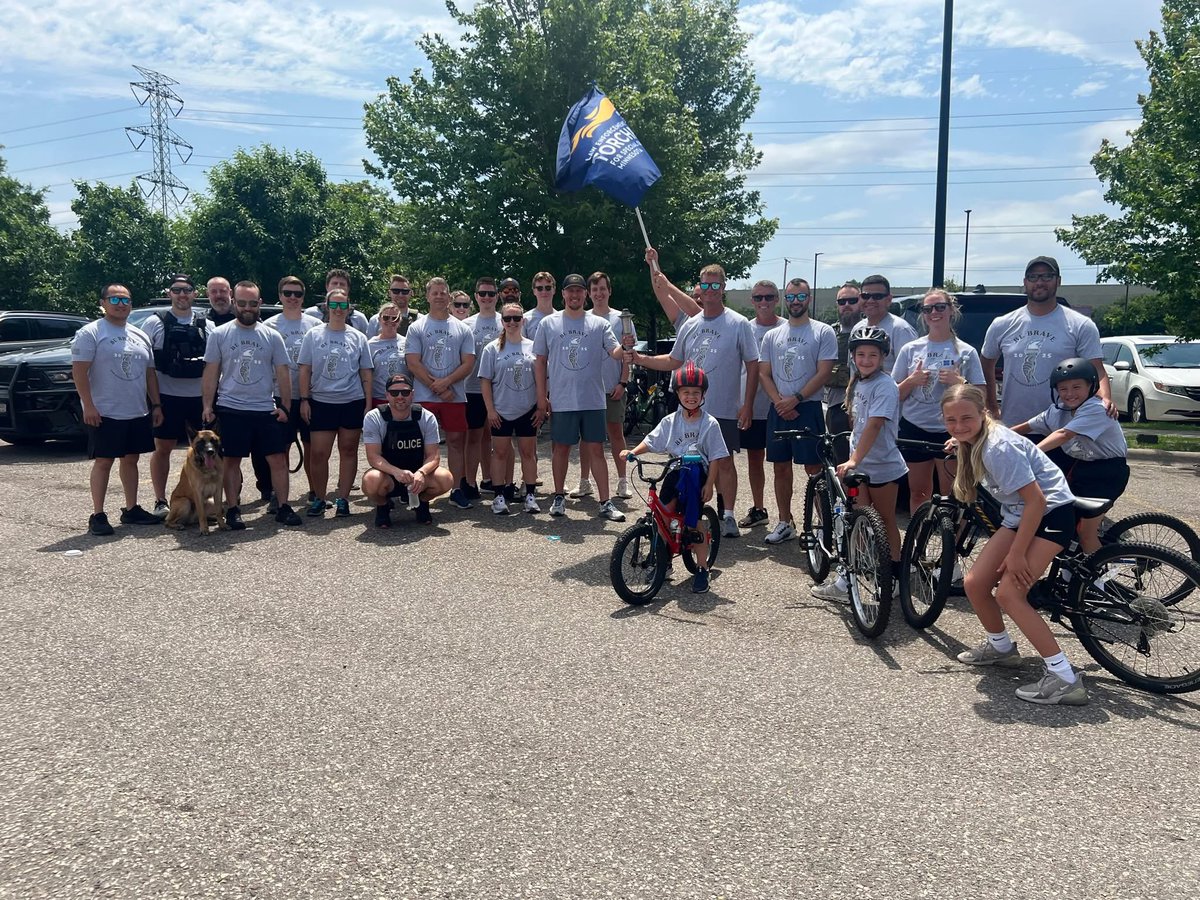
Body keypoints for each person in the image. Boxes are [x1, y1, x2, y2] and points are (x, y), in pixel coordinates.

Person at [940, 383, 1087, 706]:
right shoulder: (976, 438)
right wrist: (961, 438)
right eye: (951, 421)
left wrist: (1018, 554)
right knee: (976, 583)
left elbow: (1036, 501)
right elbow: (1023, 506)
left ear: (984, 414)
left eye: (967, 418)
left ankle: (1064, 678)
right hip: (1020, 516)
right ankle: (1002, 648)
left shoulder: (997, 448)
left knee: (1009, 593)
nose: (959, 426)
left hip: (1049, 514)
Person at [630, 254, 759, 538]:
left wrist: (747, 404)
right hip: (690, 408)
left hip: (724, 407)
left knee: (723, 461)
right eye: (706, 286)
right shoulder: (689, 325)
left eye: (716, 286)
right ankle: (687, 513)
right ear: (700, 288)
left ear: (723, 288)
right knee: (686, 459)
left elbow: (752, 365)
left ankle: (728, 515)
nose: (711, 291)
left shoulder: (738, 324)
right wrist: (640, 359)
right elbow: (673, 361)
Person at [812, 326, 907, 600]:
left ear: (883, 357)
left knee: (886, 521)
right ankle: (848, 579)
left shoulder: (885, 386)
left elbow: (875, 425)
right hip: (861, 466)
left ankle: (896, 578)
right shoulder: (859, 382)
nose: (866, 360)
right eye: (861, 354)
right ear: (853, 356)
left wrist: (853, 458)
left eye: (873, 355)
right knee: (858, 522)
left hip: (883, 466)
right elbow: (858, 422)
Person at [201, 281, 302, 528]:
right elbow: (211, 372)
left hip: (264, 408)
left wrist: (286, 407)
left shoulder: (272, 335)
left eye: (252, 303)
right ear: (234, 302)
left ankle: (283, 506)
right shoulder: (220, 334)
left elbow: (283, 373)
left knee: (277, 459)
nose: (247, 308)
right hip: (231, 407)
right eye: (242, 303)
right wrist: (207, 405)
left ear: (260, 303)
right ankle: (233, 509)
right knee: (232, 461)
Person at [622, 363, 729, 594]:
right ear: (678, 394)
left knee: (694, 522)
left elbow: (717, 457)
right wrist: (633, 452)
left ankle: (702, 568)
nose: (691, 397)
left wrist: (710, 484)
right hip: (674, 472)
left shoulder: (709, 423)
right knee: (662, 513)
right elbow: (652, 440)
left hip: (697, 475)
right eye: (686, 392)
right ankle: (665, 561)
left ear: (703, 396)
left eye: (695, 393)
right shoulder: (671, 421)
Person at [534, 273, 630, 522]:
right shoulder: (549, 324)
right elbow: (540, 361)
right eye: (570, 291)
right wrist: (541, 396)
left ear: (585, 294)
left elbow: (616, 353)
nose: (574, 295)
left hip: (593, 399)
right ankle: (558, 497)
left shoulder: (598, 324)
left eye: (579, 291)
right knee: (561, 449)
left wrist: (626, 345)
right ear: (563, 294)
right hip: (562, 398)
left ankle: (605, 502)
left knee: (596, 449)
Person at [71, 283, 164, 535]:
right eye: (114, 299)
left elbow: (149, 374)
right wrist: (88, 405)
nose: (121, 304)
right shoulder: (90, 332)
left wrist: (155, 404)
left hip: (136, 410)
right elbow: (79, 371)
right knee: (103, 461)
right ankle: (98, 514)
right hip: (105, 410)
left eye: (126, 300)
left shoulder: (140, 334)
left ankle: (131, 508)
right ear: (103, 303)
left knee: (131, 459)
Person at [982, 256, 1113, 429]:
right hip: (1013, 428)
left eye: (1047, 276)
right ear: (1025, 282)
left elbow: (1097, 369)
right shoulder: (1002, 324)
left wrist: (1105, 399)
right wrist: (991, 405)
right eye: (1033, 277)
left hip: (1063, 429)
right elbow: (985, 365)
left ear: (1058, 281)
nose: (1039, 282)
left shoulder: (1080, 325)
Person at [1012, 358, 1128, 553]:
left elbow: (1063, 434)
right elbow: (1022, 428)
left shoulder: (1096, 409)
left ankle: (1098, 580)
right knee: (1064, 523)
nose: (1069, 394)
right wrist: (985, 439)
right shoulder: (1056, 411)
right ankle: (1070, 574)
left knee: (1085, 531)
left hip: (1108, 472)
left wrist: (1031, 454)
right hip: (1081, 469)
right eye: (1063, 389)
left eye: (1076, 387)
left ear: (1091, 386)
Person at [758, 279, 837, 545]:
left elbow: (824, 371)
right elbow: (764, 374)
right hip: (778, 408)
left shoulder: (823, 331)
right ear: (785, 300)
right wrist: (780, 401)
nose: (795, 301)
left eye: (800, 296)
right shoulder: (772, 336)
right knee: (780, 468)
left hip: (808, 407)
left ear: (808, 299)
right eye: (791, 297)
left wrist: (798, 398)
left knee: (814, 469)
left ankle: (825, 525)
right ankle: (784, 522)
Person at [892, 289, 986, 512]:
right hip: (914, 427)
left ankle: (949, 542)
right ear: (923, 314)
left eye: (940, 307)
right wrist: (911, 381)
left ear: (951, 310)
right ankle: (919, 540)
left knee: (953, 493)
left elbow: (981, 395)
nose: (934, 312)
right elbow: (894, 395)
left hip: (952, 430)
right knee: (919, 492)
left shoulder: (966, 351)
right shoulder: (910, 349)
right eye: (928, 309)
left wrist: (959, 383)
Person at [298, 288, 373, 518]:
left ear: (349, 308)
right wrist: (304, 400)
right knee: (319, 453)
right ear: (326, 307)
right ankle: (320, 498)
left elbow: (366, 372)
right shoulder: (314, 335)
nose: (338, 310)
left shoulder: (358, 337)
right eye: (334, 305)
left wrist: (368, 404)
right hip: (321, 401)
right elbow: (305, 369)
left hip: (351, 400)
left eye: (343, 306)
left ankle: (343, 499)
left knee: (348, 451)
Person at [143, 273, 211, 517]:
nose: (182, 294)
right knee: (163, 448)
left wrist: (210, 401)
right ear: (169, 293)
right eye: (177, 290)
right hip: (167, 396)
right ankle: (161, 500)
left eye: (187, 290)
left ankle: (205, 498)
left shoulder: (206, 323)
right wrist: (155, 403)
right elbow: (147, 366)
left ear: (195, 293)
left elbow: (215, 364)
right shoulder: (154, 322)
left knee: (207, 450)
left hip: (198, 397)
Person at [405, 276, 476, 509]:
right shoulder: (417, 327)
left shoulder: (462, 328)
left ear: (449, 296)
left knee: (456, 441)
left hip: (454, 397)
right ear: (427, 296)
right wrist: (435, 385)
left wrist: (446, 383)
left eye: (442, 292)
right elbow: (413, 361)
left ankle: (456, 489)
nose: (438, 296)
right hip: (424, 396)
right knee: (421, 443)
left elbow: (468, 362)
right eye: (434, 292)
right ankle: (417, 488)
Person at [361, 374, 455, 528]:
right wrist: (396, 472)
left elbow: (434, 456)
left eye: (405, 392)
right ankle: (383, 506)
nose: (400, 397)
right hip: (389, 476)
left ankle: (422, 503)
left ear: (412, 394)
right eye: (394, 393)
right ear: (386, 395)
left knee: (446, 479)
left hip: (417, 477)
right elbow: (373, 457)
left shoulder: (426, 417)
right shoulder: (374, 417)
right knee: (370, 481)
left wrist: (422, 473)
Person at [574, 271, 635, 501]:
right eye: (595, 289)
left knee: (616, 434)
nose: (599, 293)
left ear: (609, 291)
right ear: (589, 293)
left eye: (603, 288)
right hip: (588, 390)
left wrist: (622, 382)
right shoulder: (583, 318)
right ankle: (584, 481)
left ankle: (622, 481)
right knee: (586, 438)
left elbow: (628, 353)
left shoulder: (621, 319)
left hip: (612, 387)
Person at [479, 301, 543, 514]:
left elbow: (543, 378)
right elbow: (485, 381)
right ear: (502, 321)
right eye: (508, 318)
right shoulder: (492, 348)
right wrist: (490, 410)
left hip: (527, 409)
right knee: (499, 453)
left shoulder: (533, 346)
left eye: (517, 318)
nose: (512, 322)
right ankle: (499, 497)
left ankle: (531, 495)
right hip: (501, 410)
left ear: (523, 320)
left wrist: (541, 404)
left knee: (528, 453)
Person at [265, 275, 320, 507]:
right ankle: (280, 494)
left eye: (297, 294)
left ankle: (314, 491)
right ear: (280, 296)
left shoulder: (315, 325)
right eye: (288, 293)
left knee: (311, 447)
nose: (292, 298)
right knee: (281, 448)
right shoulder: (269, 326)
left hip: (310, 395)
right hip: (280, 396)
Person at [736, 280, 784, 530]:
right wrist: (744, 405)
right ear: (752, 301)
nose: (763, 302)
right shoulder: (745, 327)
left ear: (777, 299)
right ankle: (758, 509)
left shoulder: (787, 328)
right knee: (755, 459)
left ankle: (786, 517)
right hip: (752, 407)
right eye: (758, 298)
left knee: (782, 464)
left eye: (768, 297)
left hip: (780, 407)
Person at [463, 277, 502, 500]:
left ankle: (489, 479)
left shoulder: (504, 321)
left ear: (497, 296)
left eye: (491, 294)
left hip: (500, 389)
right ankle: (469, 481)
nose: (486, 298)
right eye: (482, 294)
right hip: (472, 388)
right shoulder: (466, 324)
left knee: (494, 437)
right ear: (476, 297)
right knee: (474, 437)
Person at [849, 274, 917, 375]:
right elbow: (853, 371)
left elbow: (911, 375)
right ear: (860, 298)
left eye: (877, 296)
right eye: (866, 296)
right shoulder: (857, 329)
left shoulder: (901, 329)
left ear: (888, 300)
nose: (870, 301)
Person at [825, 283, 862, 461]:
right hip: (836, 404)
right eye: (842, 301)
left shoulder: (870, 330)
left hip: (866, 406)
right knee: (839, 458)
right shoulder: (829, 333)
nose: (846, 304)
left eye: (852, 300)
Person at [644, 247, 700, 332]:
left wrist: (666, 283)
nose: (699, 299)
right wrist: (653, 264)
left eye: (704, 296)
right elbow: (662, 293)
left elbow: (694, 309)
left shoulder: (720, 319)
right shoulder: (683, 319)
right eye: (696, 296)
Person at [366, 301, 409, 409]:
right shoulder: (370, 345)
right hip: (379, 398)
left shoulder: (407, 342)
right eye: (386, 318)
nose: (390, 321)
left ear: (399, 321)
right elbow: (367, 376)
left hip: (403, 397)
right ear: (379, 319)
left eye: (394, 318)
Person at [304, 268, 369, 333]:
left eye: (342, 284)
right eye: (335, 283)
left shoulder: (359, 319)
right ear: (327, 286)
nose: (338, 286)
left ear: (348, 288)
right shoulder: (311, 314)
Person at [366, 274, 420, 339]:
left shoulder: (420, 320)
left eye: (405, 291)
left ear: (411, 293)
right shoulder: (376, 321)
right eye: (396, 291)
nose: (400, 295)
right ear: (389, 293)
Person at [522, 272, 557, 340]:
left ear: (554, 290)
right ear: (534, 291)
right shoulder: (525, 319)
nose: (544, 292)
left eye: (548, 288)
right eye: (539, 288)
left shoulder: (561, 318)